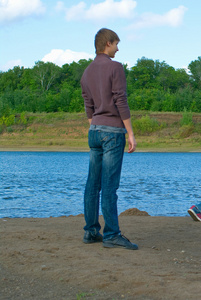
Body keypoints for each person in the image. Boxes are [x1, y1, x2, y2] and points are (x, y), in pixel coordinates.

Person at [81, 28, 138, 250]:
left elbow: (88, 105)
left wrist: (94, 125)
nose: (117, 48)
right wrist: (130, 133)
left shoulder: (86, 72)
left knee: (92, 184)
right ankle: (112, 234)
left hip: (94, 131)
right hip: (113, 132)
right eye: (115, 44)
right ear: (107, 43)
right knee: (109, 186)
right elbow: (121, 100)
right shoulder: (115, 67)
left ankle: (91, 231)